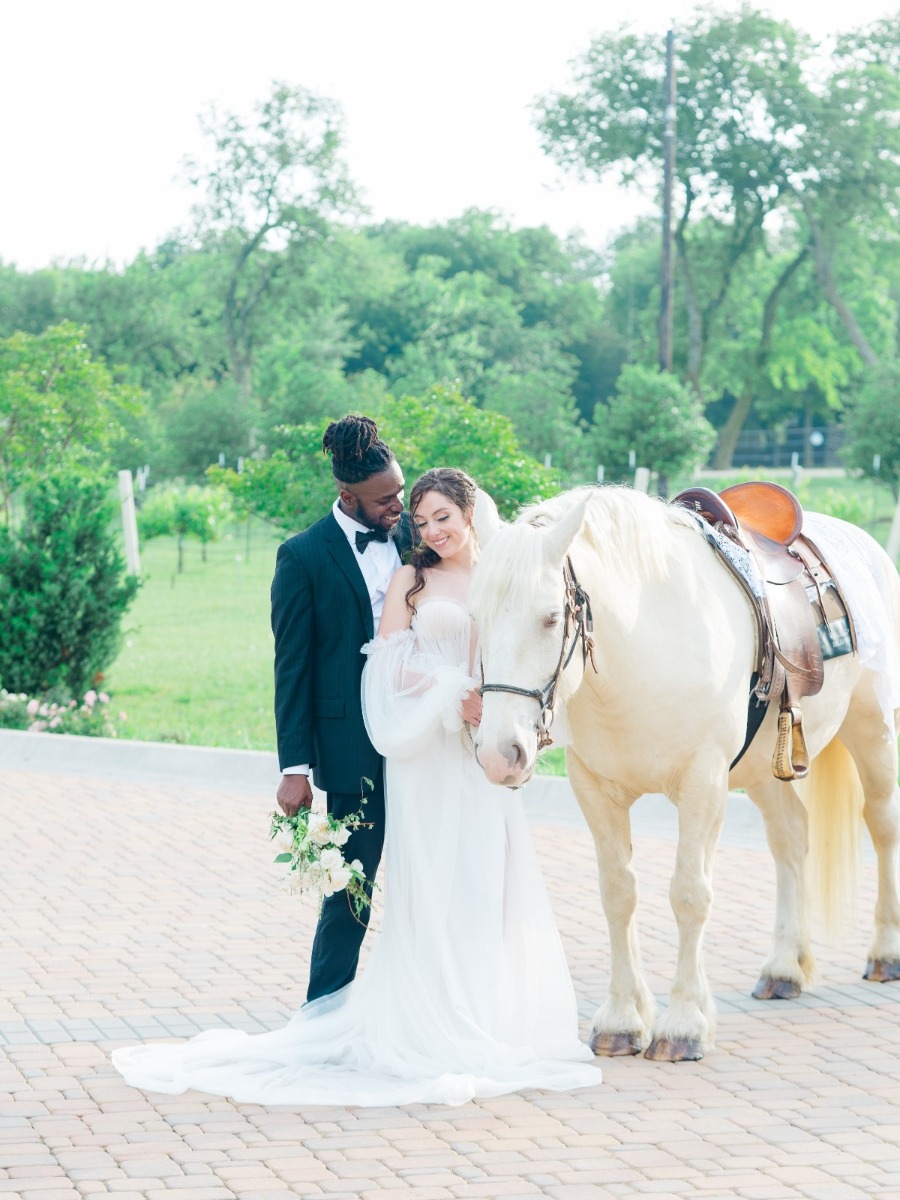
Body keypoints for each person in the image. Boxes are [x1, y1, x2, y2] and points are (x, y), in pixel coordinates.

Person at [111, 467, 600, 1106]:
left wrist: (524, 720)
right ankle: (418, 1021)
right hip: (423, 751)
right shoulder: (408, 575)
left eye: (440, 518)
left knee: (486, 877)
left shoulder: (498, 575)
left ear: (470, 513)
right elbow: (387, 668)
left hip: (478, 752)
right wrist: (456, 697)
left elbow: (524, 654)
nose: (426, 528)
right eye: (420, 519)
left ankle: (489, 1014)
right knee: (419, 883)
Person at [271, 414, 411, 1002]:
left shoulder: (412, 538)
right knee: (353, 885)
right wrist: (295, 767)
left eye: (400, 491)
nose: (397, 505)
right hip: (350, 748)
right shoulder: (301, 556)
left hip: (417, 737)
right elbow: (292, 668)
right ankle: (323, 1009)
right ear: (346, 496)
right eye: (385, 499)